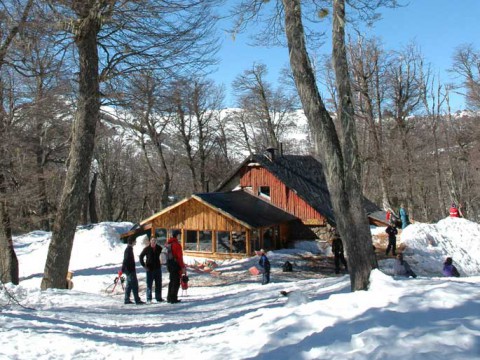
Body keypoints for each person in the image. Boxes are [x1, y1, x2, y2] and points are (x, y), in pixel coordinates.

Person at [139, 237, 164, 303]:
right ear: (150, 241)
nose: (153, 242)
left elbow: (164, 254)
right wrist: (144, 265)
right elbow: (141, 256)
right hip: (149, 269)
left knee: (158, 284)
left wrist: (162, 262)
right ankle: (149, 298)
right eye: (152, 240)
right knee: (149, 284)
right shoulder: (147, 249)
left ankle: (158, 298)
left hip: (157, 268)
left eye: (155, 241)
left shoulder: (159, 248)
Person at [122, 237, 145, 304]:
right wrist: (123, 269)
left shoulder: (129, 249)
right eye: (135, 241)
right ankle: (137, 300)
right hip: (130, 270)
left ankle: (127, 299)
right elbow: (125, 260)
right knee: (134, 285)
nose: (135, 242)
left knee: (129, 285)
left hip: (129, 270)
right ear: (132, 242)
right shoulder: (128, 249)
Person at [166, 230, 186, 304]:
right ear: (176, 235)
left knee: (171, 281)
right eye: (179, 235)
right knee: (176, 282)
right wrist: (182, 267)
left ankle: (169, 297)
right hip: (175, 264)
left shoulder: (168, 243)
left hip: (169, 264)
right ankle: (173, 298)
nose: (180, 236)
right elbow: (179, 257)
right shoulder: (177, 244)